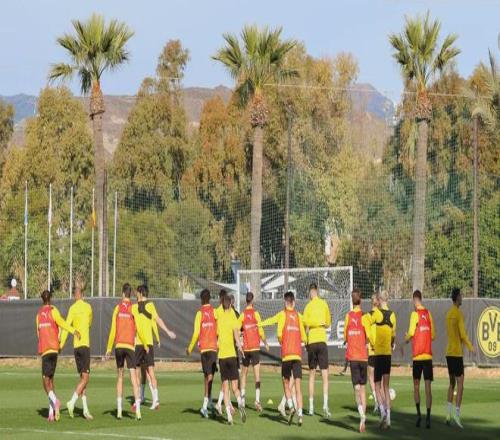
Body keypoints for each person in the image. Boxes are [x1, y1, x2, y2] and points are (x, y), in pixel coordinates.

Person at [260, 291, 307, 426]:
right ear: (293, 302)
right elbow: (304, 337)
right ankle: (300, 415)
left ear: (285, 302)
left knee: (285, 383)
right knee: (298, 386)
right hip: (297, 355)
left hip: (287, 355)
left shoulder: (282, 315)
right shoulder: (299, 316)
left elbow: (279, 333)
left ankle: (290, 406)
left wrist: (259, 324)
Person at [105, 283, 148, 420]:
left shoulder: (117, 308)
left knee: (120, 376)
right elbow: (139, 329)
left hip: (119, 346)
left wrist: (108, 348)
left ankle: (119, 410)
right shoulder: (134, 308)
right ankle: (138, 412)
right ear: (131, 295)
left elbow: (113, 329)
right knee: (134, 378)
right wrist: (145, 343)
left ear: (123, 293)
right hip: (130, 347)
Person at [36, 290, 79, 422]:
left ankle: (55, 401)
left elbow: (38, 333)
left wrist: (42, 347)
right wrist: (73, 331)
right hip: (54, 350)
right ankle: (52, 412)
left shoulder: (38, 315)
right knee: (51, 380)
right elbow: (63, 324)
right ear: (50, 299)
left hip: (46, 350)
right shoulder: (54, 311)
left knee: (45, 382)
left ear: (42, 300)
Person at [133, 285, 176, 411]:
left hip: (142, 344)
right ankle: (142, 398)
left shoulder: (141, 306)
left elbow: (157, 320)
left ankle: (153, 400)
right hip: (144, 343)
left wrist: (167, 332)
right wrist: (166, 332)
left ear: (141, 293)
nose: (136, 295)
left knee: (141, 371)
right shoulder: (139, 306)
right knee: (145, 371)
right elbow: (156, 320)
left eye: (137, 293)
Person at [60, 286, 93, 420]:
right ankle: (72, 402)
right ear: (83, 296)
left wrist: (61, 345)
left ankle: (85, 409)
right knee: (86, 379)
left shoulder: (72, 309)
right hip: (84, 345)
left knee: (83, 378)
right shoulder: (88, 307)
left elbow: (66, 327)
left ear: (75, 296)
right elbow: (90, 322)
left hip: (76, 347)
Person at [405, 289, 435, 429]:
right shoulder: (428, 313)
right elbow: (433, 335)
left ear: (414, 300)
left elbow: (411, 332)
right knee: (428, 388)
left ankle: (418, 415)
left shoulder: (414, 314)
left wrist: (406, 338)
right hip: (427, 356)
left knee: (416, 386)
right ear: (421, 299)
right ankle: (428, 417)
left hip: (417, 357)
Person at [445, 287, 474, 429]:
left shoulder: (448, 313)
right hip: (456, 353)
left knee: (451, 384)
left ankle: (447, 414)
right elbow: (462, 335)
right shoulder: (458, 314)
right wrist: (471, 347)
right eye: (461, 296)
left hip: (448, 353)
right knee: (460, 384)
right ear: (457, 298)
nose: (462, 298)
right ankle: (457, 414)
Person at [186, 289, 218, 418]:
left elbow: (196, 333)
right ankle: (205, 405)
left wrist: (190, 348)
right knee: (210, 376)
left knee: (207, 375)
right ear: (210, 299)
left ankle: (208, 402)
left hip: (204, 348)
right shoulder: (215, 312)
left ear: (201, 300)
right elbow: (219, 330)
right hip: (213, 348)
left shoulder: (199, 313)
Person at [344, 288, 371, 433]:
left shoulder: (348, 316)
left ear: (352, 300)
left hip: (353, 357)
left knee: (356, 388)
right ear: (361, 300)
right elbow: (369, 335)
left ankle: (361, 414)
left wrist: (350, 339)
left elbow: (345, 336)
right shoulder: (365, 316)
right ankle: (363, 419)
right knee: (363, 388)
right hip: (363, 357)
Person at [367, 290, 396, 429]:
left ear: (379, 300)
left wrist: (369, 338)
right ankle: (388, 418)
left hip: (378, 354)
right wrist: (391, 343)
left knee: (377, 385)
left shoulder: (377, 313)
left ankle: (383, 412)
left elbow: (366, 321)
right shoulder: (392, 315)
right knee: (386, 386)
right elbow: (393, 335)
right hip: (388, 355)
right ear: (388, 299)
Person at [303, 283, 332, 417]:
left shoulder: (308, 306)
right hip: (321, 340)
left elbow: (305, 325)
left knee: (312, 374)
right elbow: (328, 323)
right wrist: (321, 324)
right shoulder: (324, 304)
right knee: (325, 374)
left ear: (311, 292)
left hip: (312, 341)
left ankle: (310, 407)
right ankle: (325, 405)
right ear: (317, 291)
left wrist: (306, 341)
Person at [237, 291, 269, 411]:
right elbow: (261, 331)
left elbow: (236, 329)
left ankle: (243, 400)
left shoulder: (242, 315)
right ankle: (257, 401)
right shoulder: (256, 314)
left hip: (246, 348)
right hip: (255, 348)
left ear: (246, 300)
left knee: (244, 374)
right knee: (257, 375)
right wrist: (265, 343)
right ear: (253, 300)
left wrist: (238, 341)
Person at [217, 294, 246, 425]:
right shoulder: (233, 316)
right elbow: (236, 335)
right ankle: (240, 403)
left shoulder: (219, 316)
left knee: (225, 388)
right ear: (231, 303)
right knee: (235, 387)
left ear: (223, 303)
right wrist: (240, 348)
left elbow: (216, 334)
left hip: (222, 356)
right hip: (232, 356)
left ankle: (229, 416)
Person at [366, 294, 380, 413]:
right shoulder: (382, 314)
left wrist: (370, 343)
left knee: (371, 375)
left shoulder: (368, 316)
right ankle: (381, 401)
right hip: (381, 350)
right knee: (380, 376)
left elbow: (368, 333)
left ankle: (376, 400)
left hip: (372, 349)